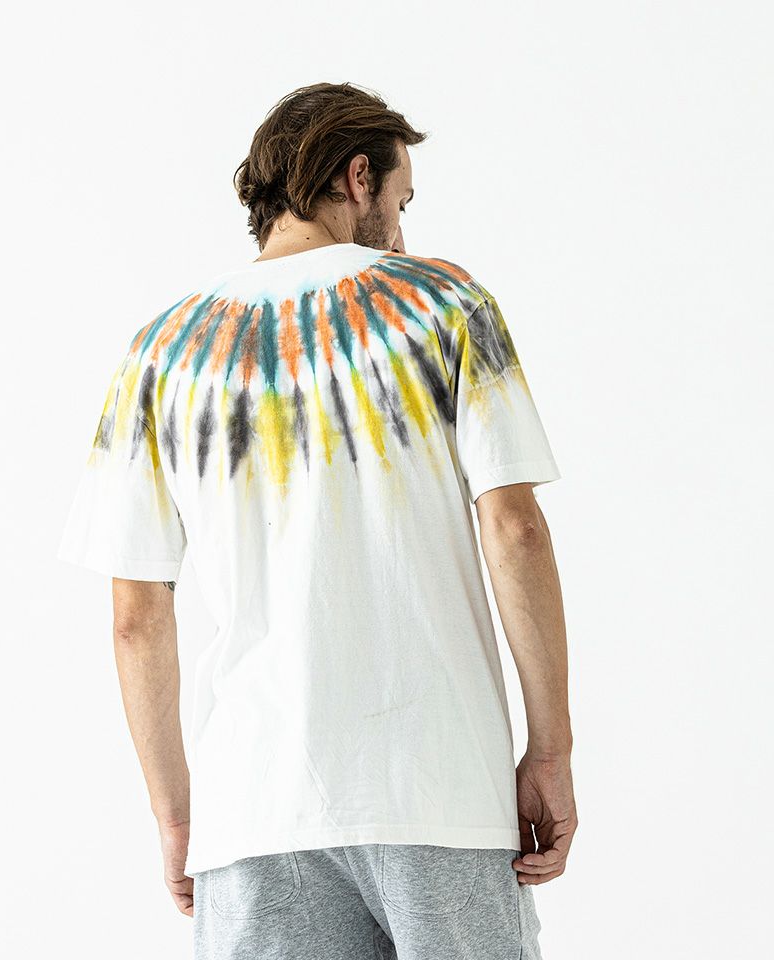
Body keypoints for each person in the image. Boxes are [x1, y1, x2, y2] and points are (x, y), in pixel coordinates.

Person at [57, 81, 577, 959]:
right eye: (401, 202)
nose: (401, 235)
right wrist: (550, 751)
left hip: (252, 812)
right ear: (358, 177)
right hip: (440, 793)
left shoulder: (158, 354)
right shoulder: (446, 303)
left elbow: (135, 617)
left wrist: (177, 815)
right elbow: (515, 530)